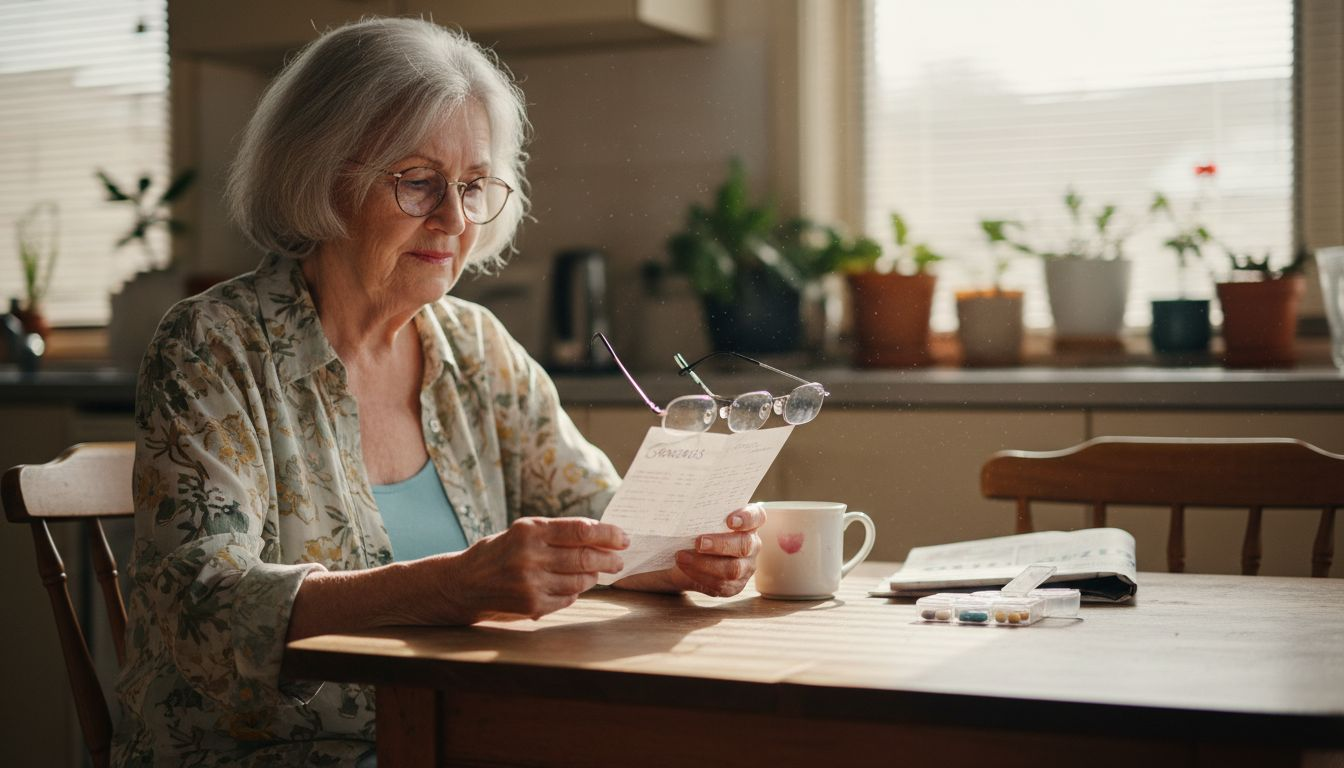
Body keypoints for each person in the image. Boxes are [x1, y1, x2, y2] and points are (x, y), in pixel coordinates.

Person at [112, 17, 764, 767]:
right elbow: (201, 606)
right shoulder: (214, 344)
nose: (455, 220)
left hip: (456, 738)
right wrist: (454, 585)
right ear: (321, 174)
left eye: (475, 185)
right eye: (419, 182)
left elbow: (598, 523)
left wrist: (679, 555)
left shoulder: (477, 348)